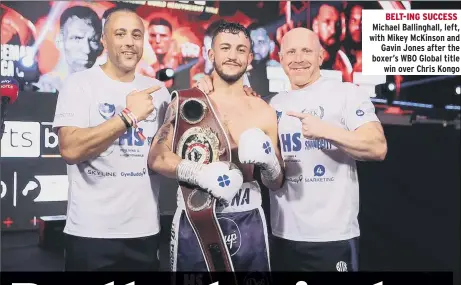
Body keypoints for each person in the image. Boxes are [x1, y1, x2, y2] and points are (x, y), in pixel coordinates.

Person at [194, 27, 388, 272]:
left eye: (306, 51)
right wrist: (208, 81)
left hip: (333, 236)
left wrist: (326, 130)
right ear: (281, 58)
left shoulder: (346, 93)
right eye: (291, 52)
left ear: (320, 56)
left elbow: (377, 147)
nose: (298, 59)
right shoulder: (272, 104)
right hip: (281, 234)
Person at [147, 21, 284, 272]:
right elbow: (156, 158)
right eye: (225, 48)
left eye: (241, 50)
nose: (232, 56)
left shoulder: (264, 110)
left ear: (250, 58)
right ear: (211, 54)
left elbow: (275, 183)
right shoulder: (189, 103)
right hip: (195, 223)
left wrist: (270, 163)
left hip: (250, 223)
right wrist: (200, 173)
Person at [52, 8, 171, 271]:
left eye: (136, 35)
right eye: (120, 34)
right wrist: (127, 117)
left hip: (145, 231)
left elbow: (165, 154)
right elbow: (70, 149)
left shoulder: (159, 92)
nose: (130, 41)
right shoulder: (79, 84)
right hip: (90, 232)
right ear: (104, 41)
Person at [35, 6, 103, 92]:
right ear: (59, 40)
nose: (87, 50)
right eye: (77, 38)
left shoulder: (102, 88)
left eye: (93, 40)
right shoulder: (44, 89)